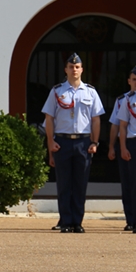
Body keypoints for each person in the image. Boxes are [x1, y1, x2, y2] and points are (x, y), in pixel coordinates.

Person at [42, 53, 103, 234]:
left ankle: (77, 221)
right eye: (71, 67)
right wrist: (51, 142)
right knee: (64, 184)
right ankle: (66, 221)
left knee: (80, 183)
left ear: (82, 69)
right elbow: (49, 118)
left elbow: (96, 120)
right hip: (62, 141)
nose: (74, 70)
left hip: (83, 142)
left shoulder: (91, 92)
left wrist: (95, 142)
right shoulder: (57, 91)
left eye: (77, 67)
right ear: (66, 69)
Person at [109, 67, 136, 231]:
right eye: (133, 79)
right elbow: (117, 126)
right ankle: (131, 219)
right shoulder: (123, 100)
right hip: (130, 143)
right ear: (129, 81)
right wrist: (113, 146)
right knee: (129, 183)